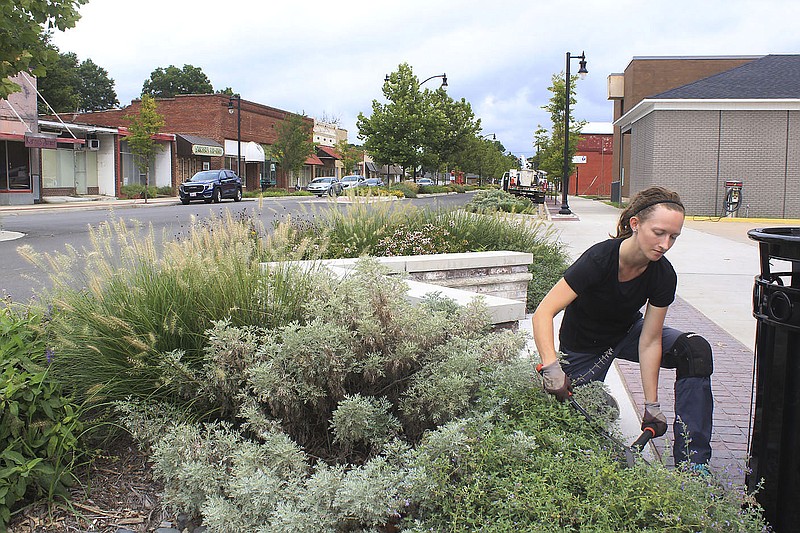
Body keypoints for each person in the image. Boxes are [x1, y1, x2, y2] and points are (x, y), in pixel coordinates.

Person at [532, 186, 713, 468]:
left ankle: (693, 462)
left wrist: (651, 405)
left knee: (695, 350)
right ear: (635, 223)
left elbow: (651, 340)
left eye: (673, 237)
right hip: (583, 348)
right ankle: (600, 398)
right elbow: (543, 312)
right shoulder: (599, 259)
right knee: (579, 416)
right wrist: (551, 365)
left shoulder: (663, 274)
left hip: (628, 334)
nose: (665, 244)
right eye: (659, 233)